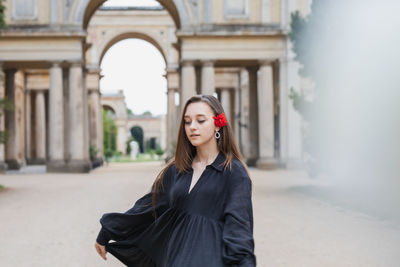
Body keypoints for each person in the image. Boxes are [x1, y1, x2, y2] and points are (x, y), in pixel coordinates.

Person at [95, 95, 256, 266]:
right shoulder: (177, 170)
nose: (192, 127)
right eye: (187, 121)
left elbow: (239, 232)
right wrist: (107, 231)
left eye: (200, 120)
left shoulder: (234, 173)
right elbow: (147, 207)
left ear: (217, 123)